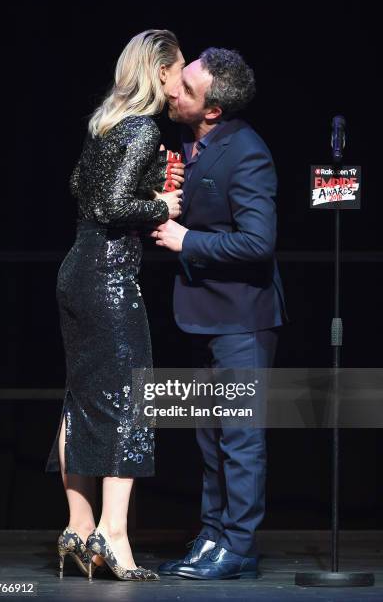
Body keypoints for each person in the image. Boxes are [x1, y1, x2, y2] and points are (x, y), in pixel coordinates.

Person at [44, 29, 185, 582]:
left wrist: (147, 187)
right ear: (160, 72)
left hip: (76, 269)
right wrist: (160, 203)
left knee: (81, 399)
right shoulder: (145, 127)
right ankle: (115, 535)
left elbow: (78, 182)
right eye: (176, 70)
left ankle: (78, 528)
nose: (179, 82)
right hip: (106, 276)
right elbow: (107, 202)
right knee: (130, 398)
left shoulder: (105, 122)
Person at [152, 48, 287, 579]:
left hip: (241, 319)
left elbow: (258, 242)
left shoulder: (247, 151)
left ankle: (241, 547)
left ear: (211, 110)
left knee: (240, 439)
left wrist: (189, 240)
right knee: (209, 438)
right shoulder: (195, 142)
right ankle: (212, 536)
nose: (172, 91)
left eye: (185, 88)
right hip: (203, 315)